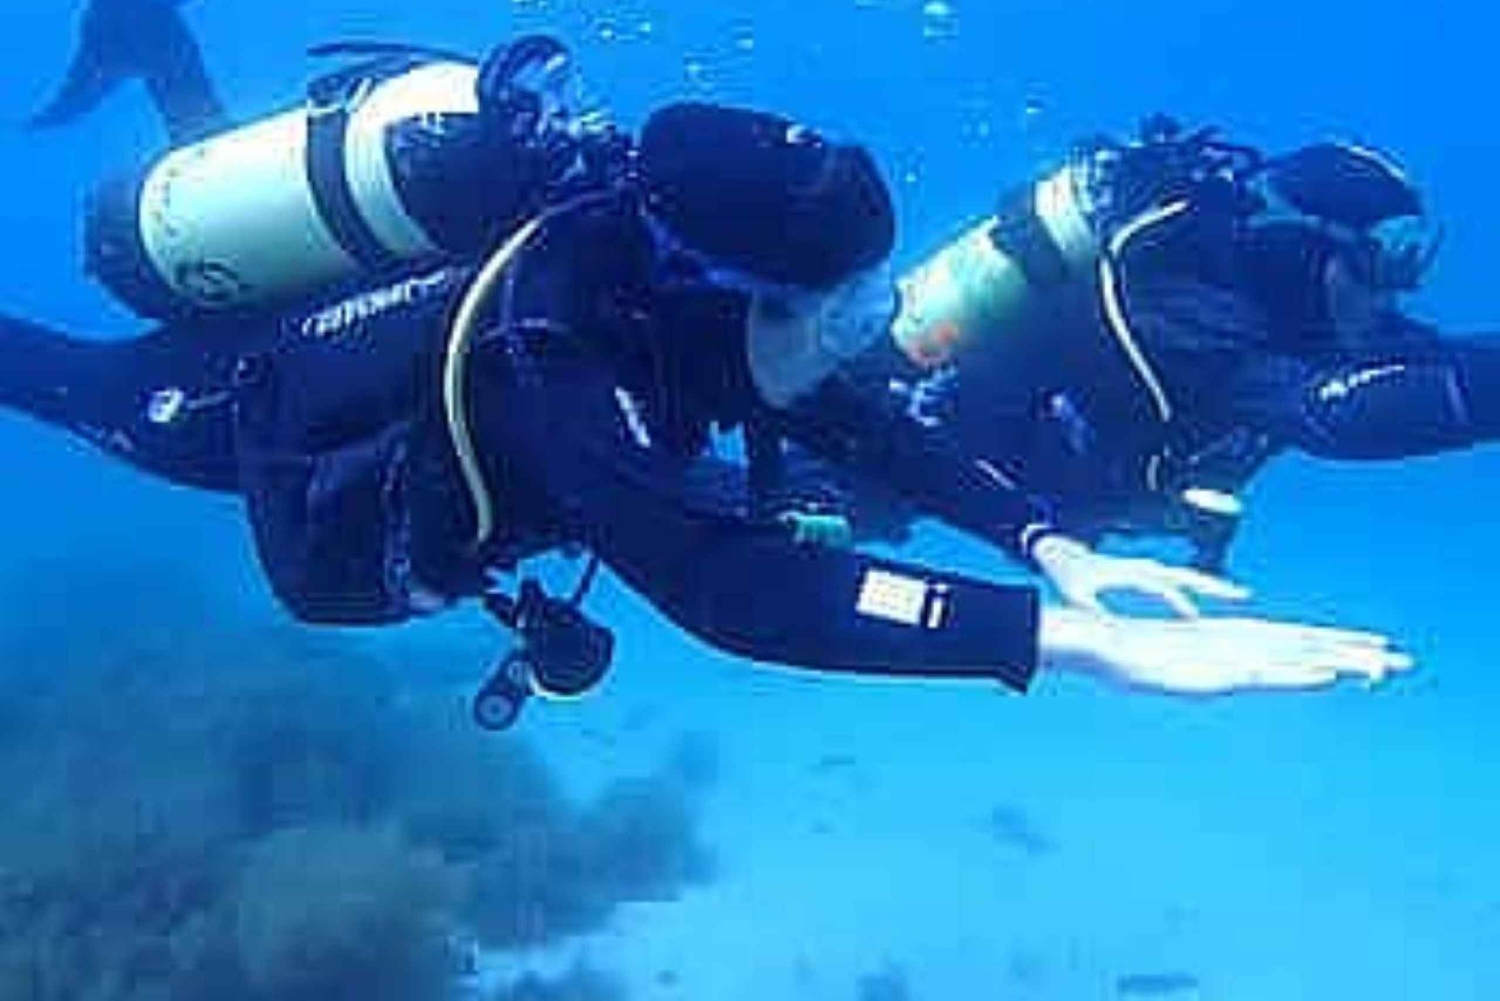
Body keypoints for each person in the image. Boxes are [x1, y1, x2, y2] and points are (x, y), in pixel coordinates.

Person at [2, 4, 1409, 725]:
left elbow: (869, 424)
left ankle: (154, 41)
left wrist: (1049, 542)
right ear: (717, 282)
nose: (859, 331)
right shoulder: (561, 360)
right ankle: (155, 68)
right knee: (80, 391)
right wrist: (1086, 648)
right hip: (261, 408)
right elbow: (738, 594)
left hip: (414, 323)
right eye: (834, 303)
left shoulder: (684, 285)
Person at [851, 115, 1500, 578]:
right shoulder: (1184, 300)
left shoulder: (1299, 306)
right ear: (1308, 248)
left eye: (1401, 270)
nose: (1390, 297)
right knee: (800, 510)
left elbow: (1423, 354)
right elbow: (1330, 414)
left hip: (1029, 487)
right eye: (1376, 266)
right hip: (919, 450)